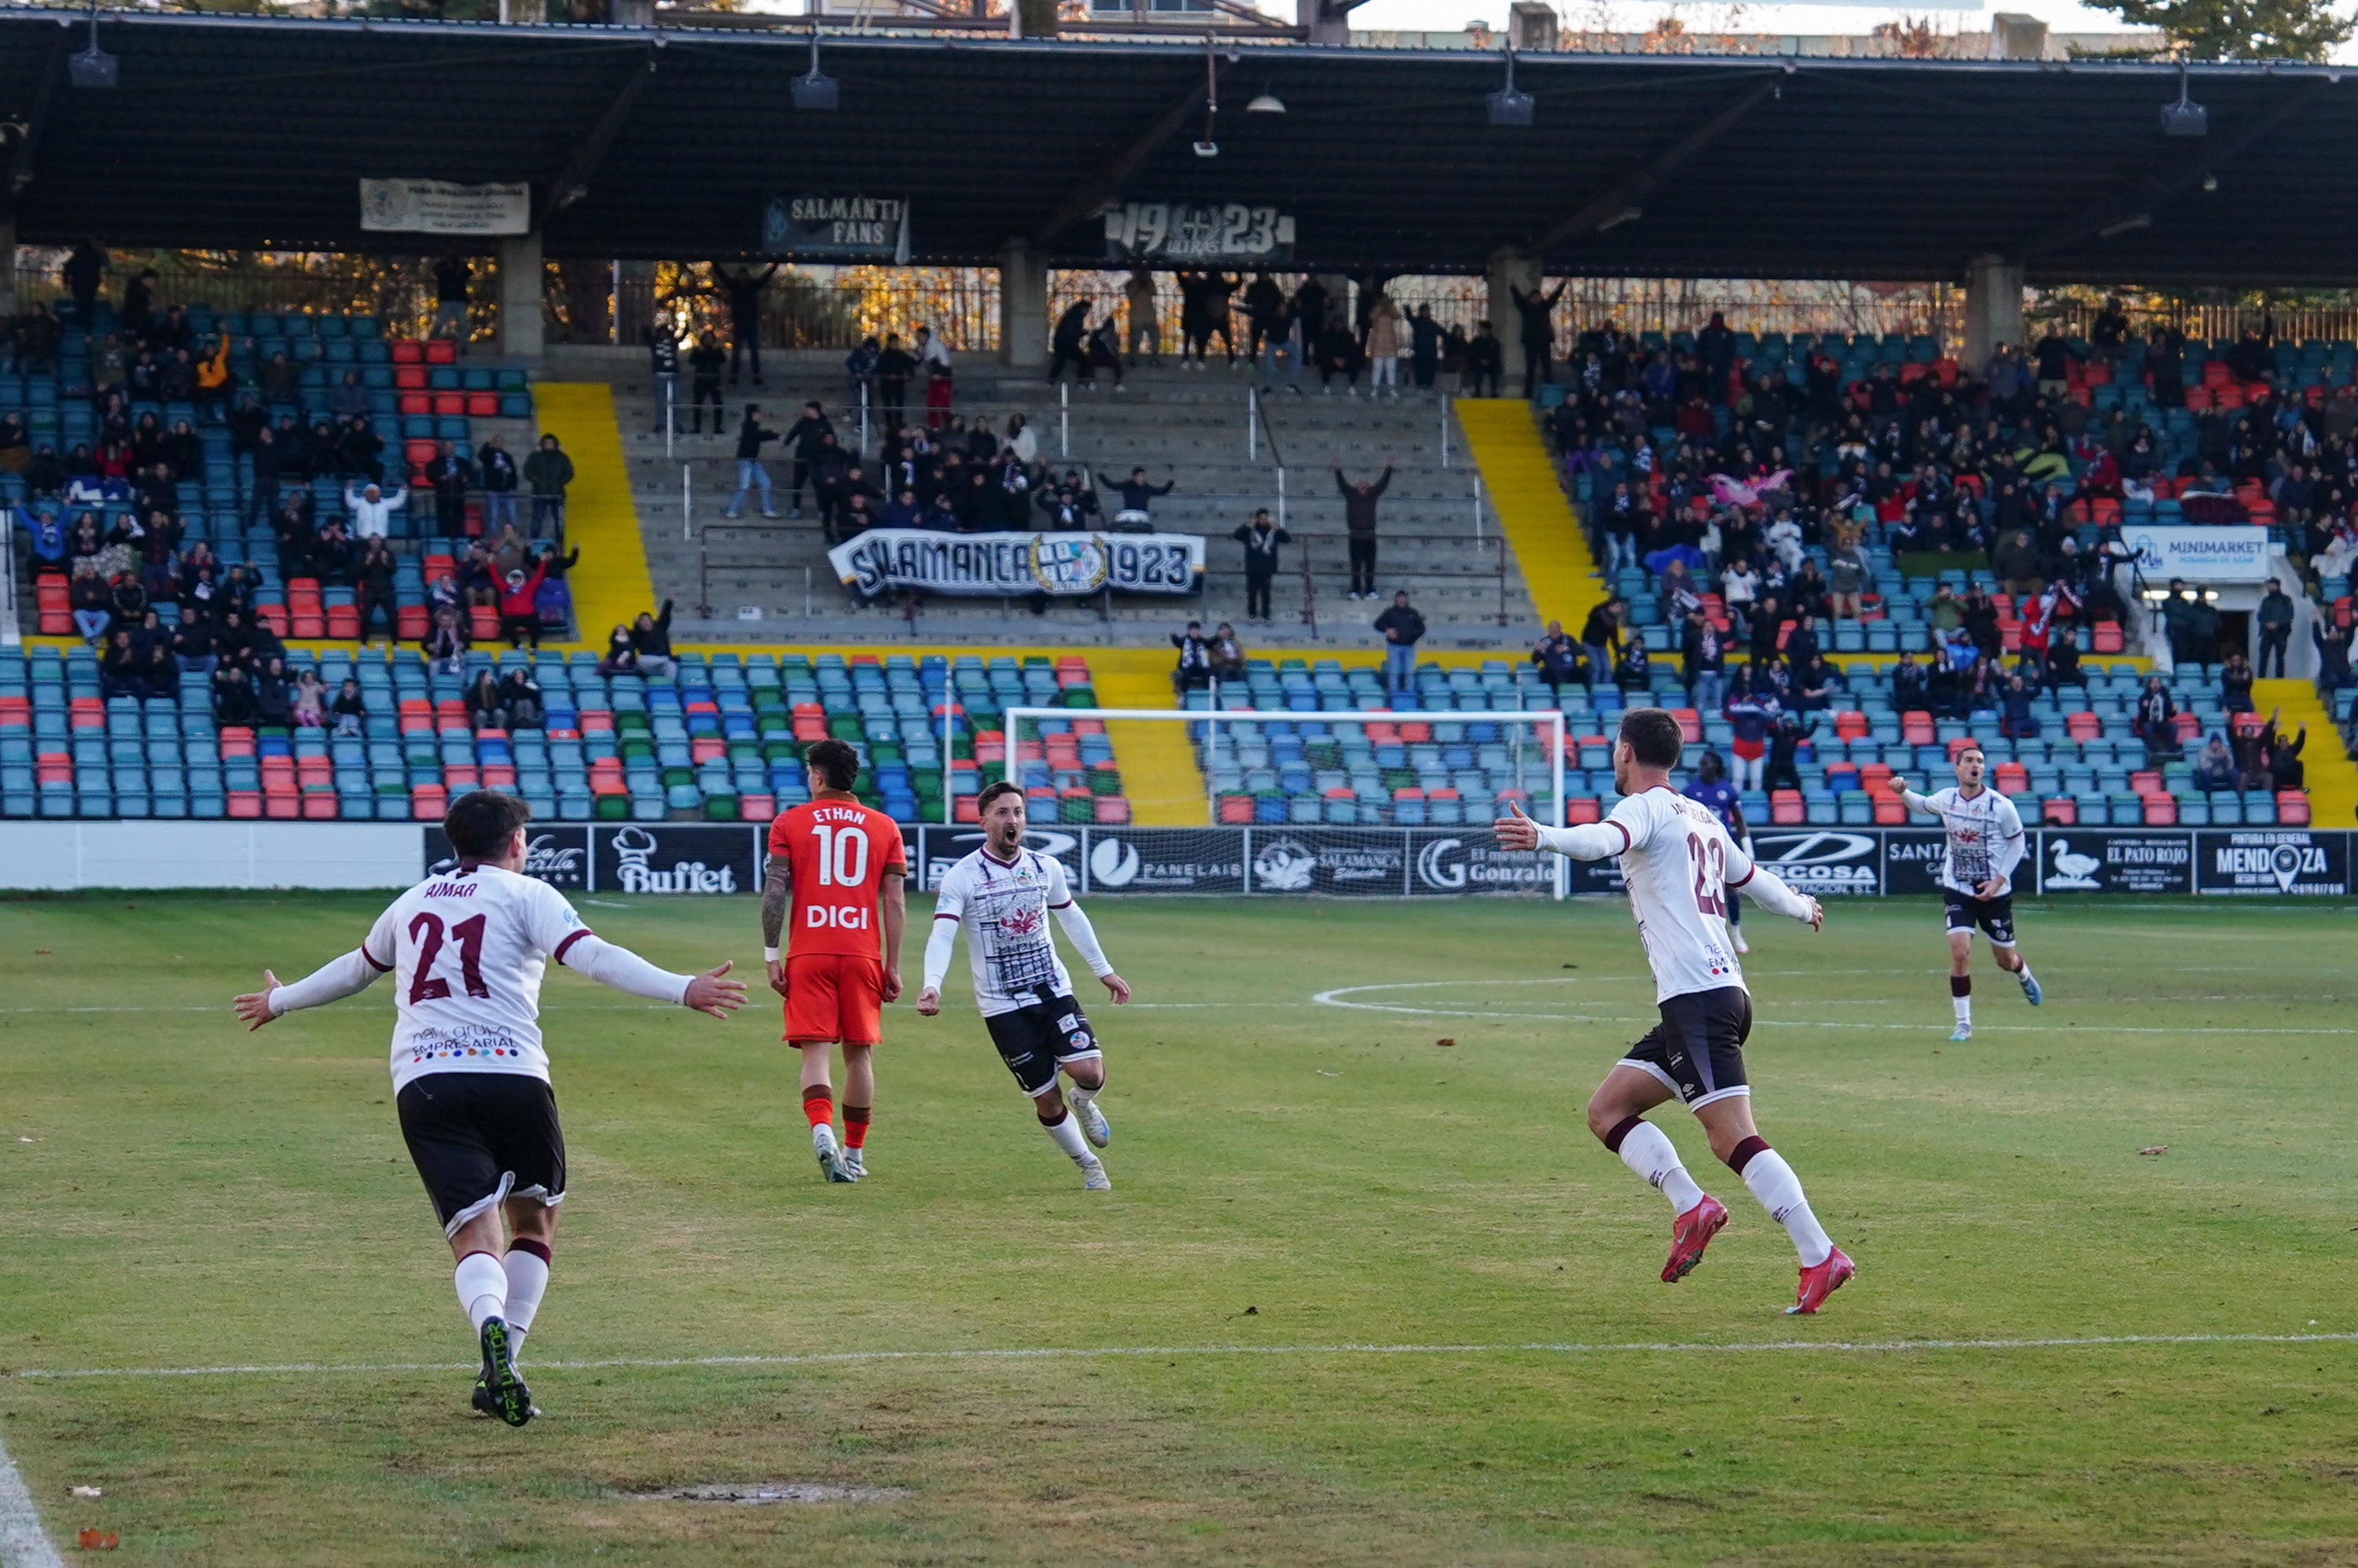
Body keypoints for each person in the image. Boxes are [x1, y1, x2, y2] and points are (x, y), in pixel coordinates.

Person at [230, 791, 747, 1427]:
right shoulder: (527, 895)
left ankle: (491, 1329)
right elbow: (594, 956)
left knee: (475, 1235)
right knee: (534, 1225)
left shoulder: (414, 900)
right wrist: (682, 987)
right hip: (512, 1075)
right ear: (516, 843)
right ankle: (504, 1359)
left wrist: (280, 1002)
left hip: (425, 1081)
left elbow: (355, 969)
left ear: (455, 845)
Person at [1492, 708, 1849, 1313]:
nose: (1613, 757)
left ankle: (1820, 1254)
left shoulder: (1647, 805)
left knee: (1732, 1136)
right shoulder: (1703, 817)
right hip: (1709, 999)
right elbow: (1755, 881)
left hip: (1700, 1000)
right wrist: (1800, 906)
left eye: (1614, 748)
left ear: (1627, 751)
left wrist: (1544, 836)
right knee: (1608, 1110)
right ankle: (1692, 1205)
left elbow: (1602, 841)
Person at [915, 782, 1129, 1192]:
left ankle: (1084, 1102)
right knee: (1046, 1099)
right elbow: (942, 935)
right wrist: (932, 985)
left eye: (1017, 812)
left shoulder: (1044, 867)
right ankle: (1089, 1166)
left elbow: (1071, 916)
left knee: (1088, 1071)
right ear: (984, 822)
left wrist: (1103, 970)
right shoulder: (961, 877)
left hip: (1051, 988)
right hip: (1002, 1005)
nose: (1011, 820)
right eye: (1002, 813)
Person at [759, 738, 909, 1184]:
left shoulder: (789, 822)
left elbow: (775, 890)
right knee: (859, 1057)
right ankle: (855, 1154)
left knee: (815, 1054)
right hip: (862, 953)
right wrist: (892, 965)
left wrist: (771, 955)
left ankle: (821, 1130)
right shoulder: (885, 826)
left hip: (809, 952)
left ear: (817, 776)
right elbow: (895, 902)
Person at [1890, 744, 2042, 1041]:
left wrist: (1998, 881)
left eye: (1980, 761)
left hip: (1994, 893)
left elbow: (2017, 843)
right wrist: (1902, 793)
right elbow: (1922, 805)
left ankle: (2022, 973)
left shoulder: (2001, 806)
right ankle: (1963, 1025)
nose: (1976, 766)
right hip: (1958, 887)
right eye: (1970, 761)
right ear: (1957, 768)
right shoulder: (1947, 799)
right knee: (1960, 953)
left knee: (2005, 960)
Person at [1681, 748, 1752, 954]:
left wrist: (1747, 849)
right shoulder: (1690, 791)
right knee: (1696, 891)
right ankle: (1701, 937)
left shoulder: (1727, 790)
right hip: (1697, 848)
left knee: (1731, 889)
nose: (1701, 767)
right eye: (1700, 764)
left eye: (1705, 764)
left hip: (1722, 847)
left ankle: (1736, 933)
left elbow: (1739, 820)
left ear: (1715, 767)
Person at [714, 261, 780, 386]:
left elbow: (764, 278)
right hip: (742, 322)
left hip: (749, 322)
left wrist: (774, 268)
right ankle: (738, 377)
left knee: (751, 351)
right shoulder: (742, 286)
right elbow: (723, 276)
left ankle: (751, 376)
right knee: (739, 351)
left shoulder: (746, 286)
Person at [1335, 461, 1393, 600]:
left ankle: (1369, 590)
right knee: (1355, 565)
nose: (1362, 485)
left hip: (1370, 535)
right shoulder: (1351, 494)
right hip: (1355, 535)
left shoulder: (1373, 494)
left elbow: (1383, 484)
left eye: (1365, 483)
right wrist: (1338, 470)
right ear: (1357, 485)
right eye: (1360, 483)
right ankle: (1355, 590)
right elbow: (1342, 484)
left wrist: (1389, 468)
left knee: (1370, 565)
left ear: (1368, 485)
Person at [1232, 508, 1290, 623]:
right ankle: (1252, 615)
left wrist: (1278, 529)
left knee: (1266, 594)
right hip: (1252, 567)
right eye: (1260, 519)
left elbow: (1287, 539)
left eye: (1265, 518)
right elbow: (1236, 535)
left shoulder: (1273, 531)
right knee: (1252, 593)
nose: (1263, 521)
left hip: (1267, 568)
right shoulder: (1250, 531)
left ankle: (1266, 616)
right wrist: (1247, 526)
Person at [726, 405, 780, 520]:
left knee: (766, 483)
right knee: (744, 486)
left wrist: (773, 434)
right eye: (758, 413)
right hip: (745, 460)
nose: (760, 415)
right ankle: (732, 510)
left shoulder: (753, 426)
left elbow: (760, 435)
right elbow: (758, 436)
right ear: (754, 414)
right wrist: (774, 433)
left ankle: (767, 510)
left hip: (754, 461)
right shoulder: (747, 426)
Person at [1374, 589, 1424, 709]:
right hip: (1394, 646)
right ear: (1396, 599)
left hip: (1409, 646)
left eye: (1403, 598)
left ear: (1406, 599)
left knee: (1409, 672)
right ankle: (1392, 697)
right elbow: (1377, 624)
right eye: (1399, 597)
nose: (1401, 600)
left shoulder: (1412, 613)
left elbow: (1421, 628)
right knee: (1394, 672)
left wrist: (1413, 635)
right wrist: (1388, 630)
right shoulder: (1390, 612)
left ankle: (1409, 697)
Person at [523, 435, 574, 539]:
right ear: (542, 444)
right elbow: (527, 471)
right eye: (547, 443)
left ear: (555, 444)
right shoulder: (535, 457)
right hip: (539, 494)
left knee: (559, 522)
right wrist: (536, 481)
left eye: (551, 443)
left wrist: (560, 482)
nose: (549, 445)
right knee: (537, 520)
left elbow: (570, 472)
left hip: (558, 494)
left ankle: (560, 543)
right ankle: (534, 542)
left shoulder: (562, 458)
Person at [1531, 619, 1583, 698]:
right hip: (1551, 671)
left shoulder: (1569, 639)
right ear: (1548, 630)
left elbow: (1580, 651)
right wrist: (1539, 650)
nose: (1554, 630)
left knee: (1581, 673)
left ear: (1560, 628)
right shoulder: (1544, 641)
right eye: (1551, 628)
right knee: (1546, 674)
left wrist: (1566, 648)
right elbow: (1534, 660)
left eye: (1556, 628)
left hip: (1571, 670)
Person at [2257, 579, 2295, 679]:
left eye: (2271, 585)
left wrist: (2277, 624)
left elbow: (2289, 615)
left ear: (2277, 586)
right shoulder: (2266, 600)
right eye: (2268, 585)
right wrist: (2266, 624)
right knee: (2263, 656)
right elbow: (2260, 615)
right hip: (2267, 633)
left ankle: (2279, 680)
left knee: (2280, 657)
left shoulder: (2286, 600)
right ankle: (2261, 679)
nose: (2268, 587)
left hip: (2281, 632)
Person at [430, 254, 472, 341]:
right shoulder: (443, 266)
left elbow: (469, 273)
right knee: (440, 323)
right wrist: (444, 263)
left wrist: (461, 264)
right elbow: (435, 271)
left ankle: (464, 345)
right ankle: (431, 343)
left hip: (459, 299)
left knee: (463, 324)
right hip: (446, 299)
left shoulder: (460, 266)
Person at [632, 601, 678, 680]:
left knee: (671, 665)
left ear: (652, 621)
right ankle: (664, 660)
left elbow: (665, 615)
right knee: (640, 660)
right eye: (642, 621)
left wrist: (669, 602)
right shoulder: (638, 635)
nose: (646, 622)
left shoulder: (660, 628)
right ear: (640, 624)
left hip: (662, 664)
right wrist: (635, 626)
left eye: (647, 620)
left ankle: (669, 687)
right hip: (648, 663)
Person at [1170, 619, 1211, 702]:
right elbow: (1177, 642)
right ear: (1189, 631)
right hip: (1187, 667)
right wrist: (1173, 636)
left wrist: (1218, 637)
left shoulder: (1202, 641)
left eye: (1197, 630)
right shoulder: (1184, 640)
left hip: (1200, 667)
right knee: (1185, 676)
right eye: (1193, 630)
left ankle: (1209, 695)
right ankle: (1182, 696)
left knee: (1209, 674)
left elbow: (1210, 643)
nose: (1195, 632)